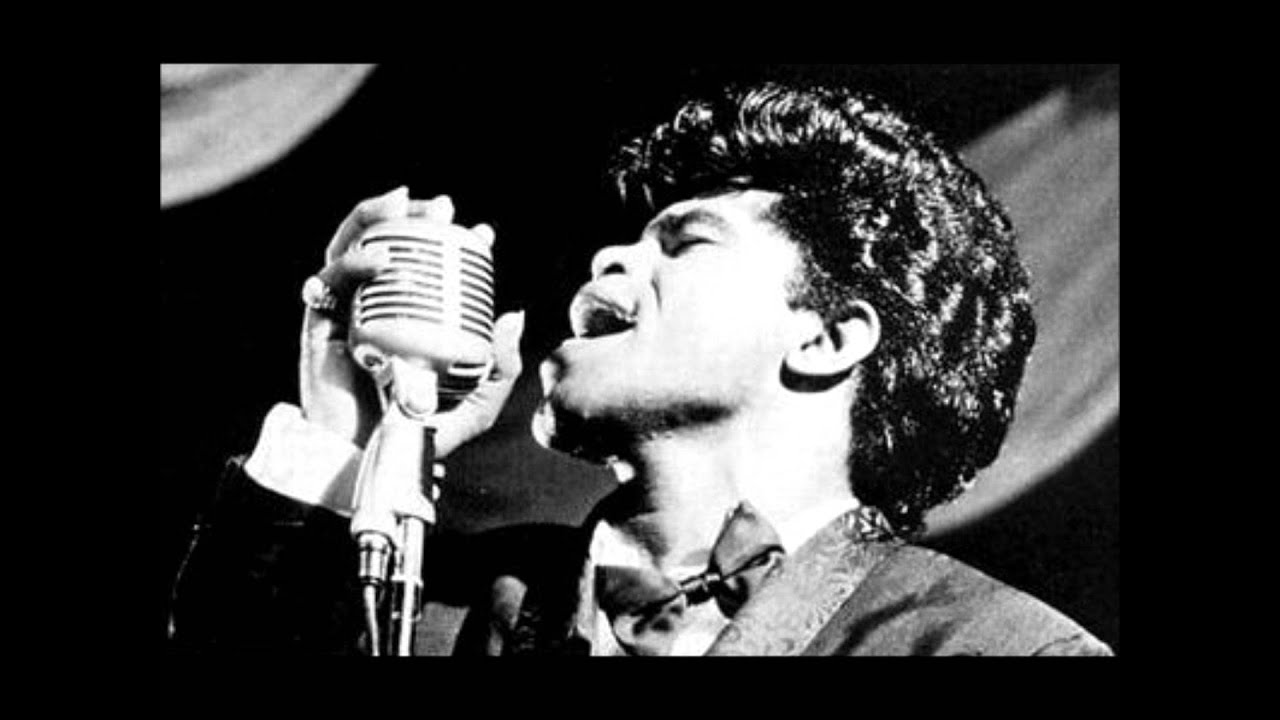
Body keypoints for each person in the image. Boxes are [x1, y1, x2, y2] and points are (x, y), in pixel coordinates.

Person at [168, 80, 1113, 656]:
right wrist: (343, 437)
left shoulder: (1000, 648)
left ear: (827, 340)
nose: (610, 258)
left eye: (685, 242)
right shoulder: (434, 612)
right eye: (630, 239)